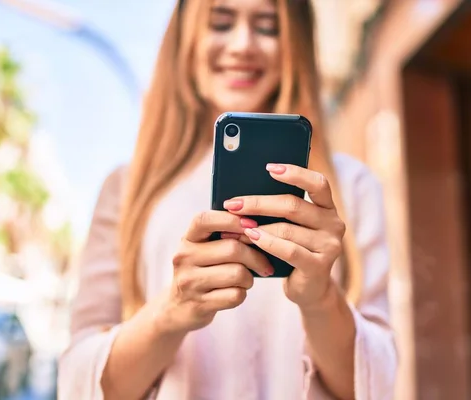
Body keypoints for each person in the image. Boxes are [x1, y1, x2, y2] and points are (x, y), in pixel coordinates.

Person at [58, 0, 397, 399]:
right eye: (220, 23)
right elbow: (79, 382)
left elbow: (377, 385)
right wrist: (171, 312)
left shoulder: (350, 187)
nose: (242, 44)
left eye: (268, 26)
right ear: (185, 36)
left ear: (297, 40)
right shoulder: (127, 188)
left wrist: (321, 299)